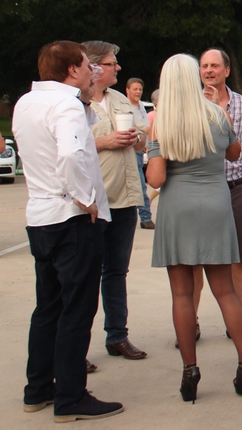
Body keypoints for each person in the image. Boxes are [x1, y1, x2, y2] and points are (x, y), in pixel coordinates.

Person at [14, 41, 124, 422]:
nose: (94, 71)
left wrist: (87, 98)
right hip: (71, 218)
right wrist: (86, 198)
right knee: (77, 309)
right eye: (86, 66)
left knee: (48, 306)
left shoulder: (27, 102)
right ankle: (71, 396)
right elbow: (70, 153)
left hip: (41, 216)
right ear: (73, 70)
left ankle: (38, 387)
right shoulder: (66, 106)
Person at [146, 54, 242, 402]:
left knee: (182, 293)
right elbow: (234, 154)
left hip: (178, 207)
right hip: (215, 202)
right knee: (226, 290)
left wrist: (151, 150)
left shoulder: (162, 123)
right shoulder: (217, 114)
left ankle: (190, 370)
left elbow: (156, 178)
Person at [190, 48, 242, 346]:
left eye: (214, 65)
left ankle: (236, 322)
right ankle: (190, 320)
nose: (208, 70)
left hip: (233, 189)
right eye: (204, 66)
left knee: (237, 259)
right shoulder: (188, 104)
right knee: (193, 260)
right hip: (197, 190)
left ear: (227, 71)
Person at [82, 40, 148, 361]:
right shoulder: (75, 103)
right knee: (84, 276)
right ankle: (76, 349)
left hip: (124, 199)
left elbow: (143, 140)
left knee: (116, 272)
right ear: (94, 67)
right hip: (92, 203)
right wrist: (104, 141)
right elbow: (66, 148)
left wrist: (137, 138)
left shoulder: (121, 99)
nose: (118, 68)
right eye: (111, 63)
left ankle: (117, 335)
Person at [126, 77, 154, 229]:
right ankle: (145, 217)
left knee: (140, 183)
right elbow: (142, 128)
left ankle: (145, 217)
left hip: (140, 148)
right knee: (139, 184)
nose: (138, 92)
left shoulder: (141, 106)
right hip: (131, 149)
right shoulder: (125, 107)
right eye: (135, 89)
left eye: (140, 89)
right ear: (127, 90)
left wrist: (147, 145)